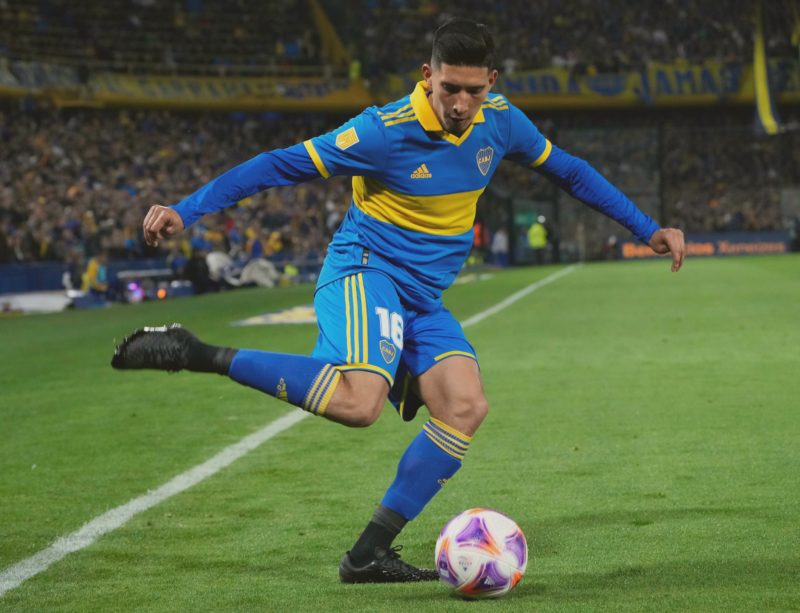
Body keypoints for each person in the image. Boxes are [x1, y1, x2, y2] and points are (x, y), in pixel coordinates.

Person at [111, 18, 685, 584]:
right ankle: (197, 352)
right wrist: (186, 210)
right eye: (449, 88)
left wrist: (647, 228)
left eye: (474, 90)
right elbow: (278, 164)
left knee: (465, 407)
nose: (461, 103)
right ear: (427, 76)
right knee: (360, 403)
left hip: (423, 299)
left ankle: (367, 555)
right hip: (365, 272)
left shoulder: (502, 121)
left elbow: (571, 172)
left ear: (491, 81)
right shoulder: (381, 132)